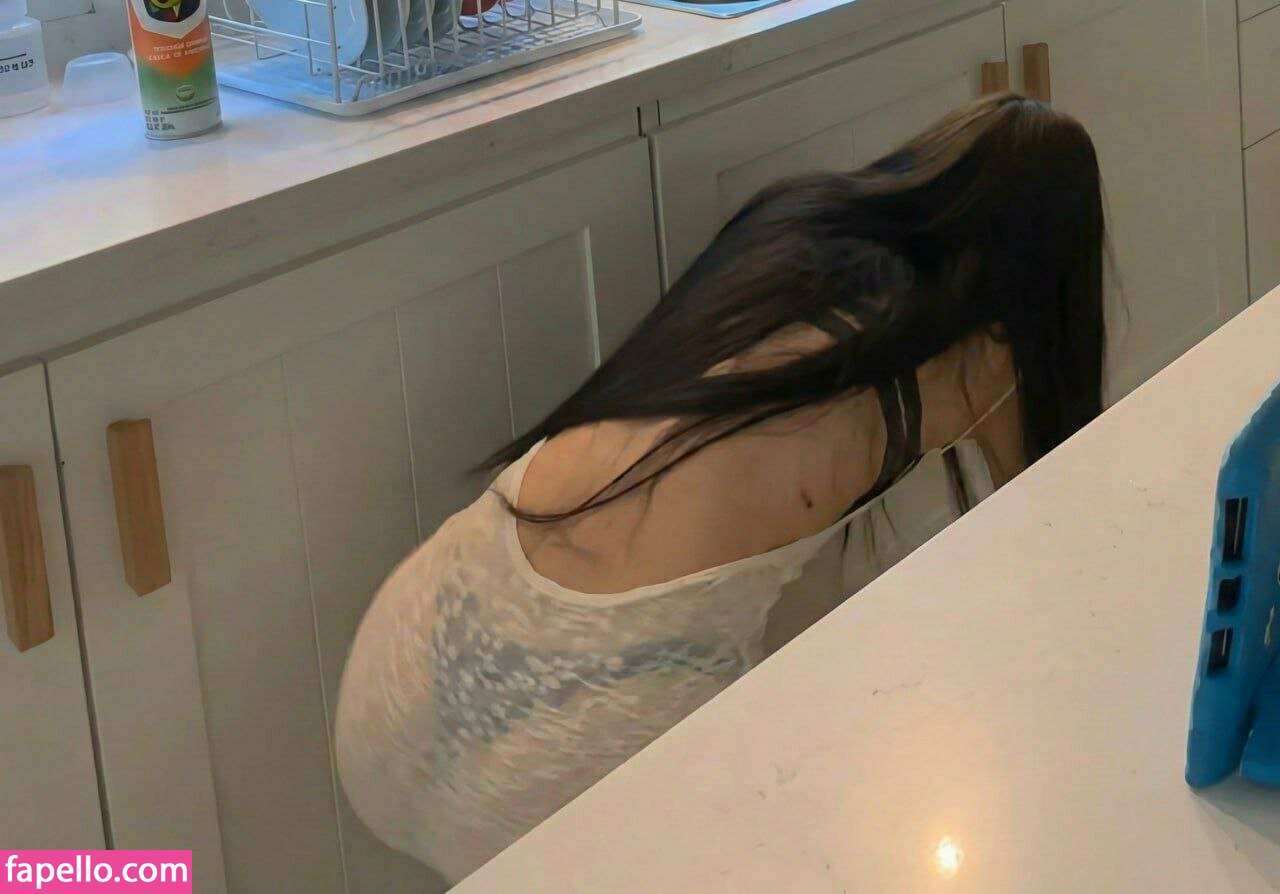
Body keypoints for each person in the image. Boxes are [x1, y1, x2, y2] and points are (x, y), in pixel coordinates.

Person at [334, 93, 1106, 884]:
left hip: (411, 659)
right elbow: (1047, 518)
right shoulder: (970, 359)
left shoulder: (803, 240)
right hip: (589, 736)